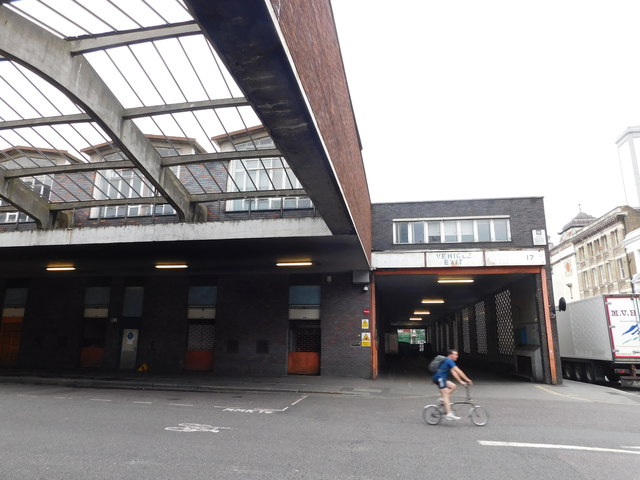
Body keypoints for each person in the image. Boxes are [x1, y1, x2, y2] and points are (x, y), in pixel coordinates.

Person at [432, 349, 472, 421]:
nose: (457, 356)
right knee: (446, 395)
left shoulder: (448, 362)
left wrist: (461, 381)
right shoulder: (449, 360)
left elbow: (454, 372)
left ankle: (442, 400)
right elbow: (458, 371)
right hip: (439, 378)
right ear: (451, 355)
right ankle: (449, 414)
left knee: (453, 386)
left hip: (441, 378)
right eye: (455, 354)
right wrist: (467, 379)